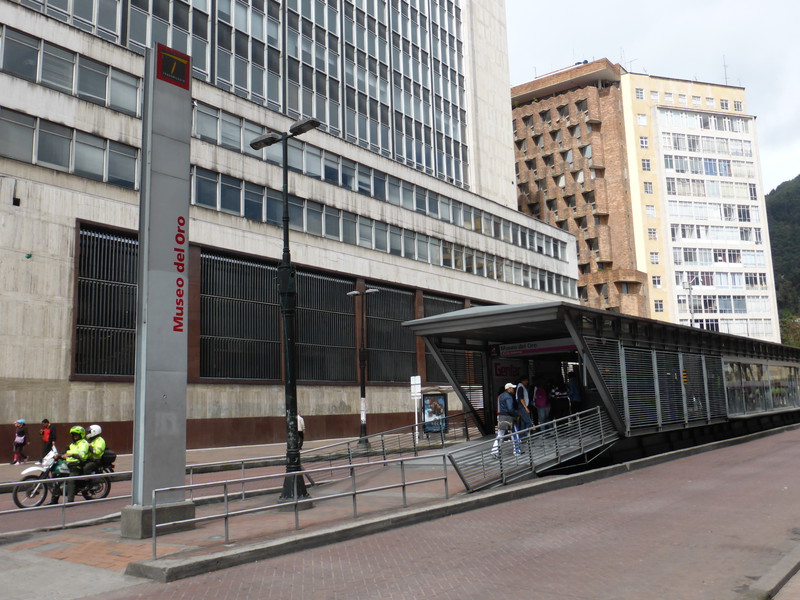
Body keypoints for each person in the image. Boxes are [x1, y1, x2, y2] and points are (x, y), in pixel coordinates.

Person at [62, 425, 90, 503]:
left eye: (76, 435)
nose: (75, 436)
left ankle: (70, 500)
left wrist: (72, 455)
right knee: (56, 474)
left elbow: (82, 456)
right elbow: (67, 453)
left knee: (71, 479)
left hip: (77, 465)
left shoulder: (84, 444)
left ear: (81, 435)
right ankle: (54, 500)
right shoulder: (73, 444)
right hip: (69, 464)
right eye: (73, 435)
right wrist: (61, 455)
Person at [491, 383, 518, 456]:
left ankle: (495, 451)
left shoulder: (501, 396)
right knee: (515, 433)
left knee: (500, 434)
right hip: (508, 417)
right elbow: (510, 409)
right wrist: (516, 414)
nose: (513, 389)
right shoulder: (509, 396)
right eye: (512, 388)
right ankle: (517, 450)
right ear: (508, 388)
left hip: (501, 416)